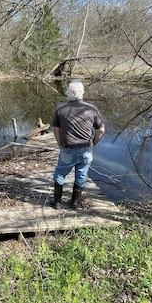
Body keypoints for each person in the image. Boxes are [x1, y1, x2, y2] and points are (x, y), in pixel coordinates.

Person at [50, 80, 105, 209]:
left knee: (60, 174)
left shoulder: (60, 108)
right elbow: (101, 130)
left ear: (68, 93)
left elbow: (56, 129)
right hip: (86, 149)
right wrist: (93, 143)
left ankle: (57, 203)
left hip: (68, 149)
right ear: (82, 93)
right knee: (81, 175)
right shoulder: (91, 109)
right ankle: (74, 203)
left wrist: (60, 145)